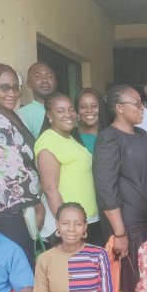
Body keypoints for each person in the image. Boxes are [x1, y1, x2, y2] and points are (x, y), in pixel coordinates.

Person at [92, 84, 147, 292]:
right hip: (128, 224)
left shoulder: (142, 134)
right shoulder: (109, 138)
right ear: (119, 107)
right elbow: (106, 188)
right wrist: (119, 232)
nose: (141, 107)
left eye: (141, 103)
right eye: (136, 103)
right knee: (132, 278)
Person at [0, 62, 44, 269]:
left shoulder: (1, 113)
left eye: (15, 88)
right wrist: (37, 205)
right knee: (20, 267)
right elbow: (11, 171)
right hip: (11, 209)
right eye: (4, 87)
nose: (12, 93)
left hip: (12, 206)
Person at [35, 93, 101, 245]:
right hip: (69, 226)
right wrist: (65, 226)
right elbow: (50, 189)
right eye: (60, 111)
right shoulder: (48, 141)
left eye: (71, 109)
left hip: (84, 220)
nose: (68, 114)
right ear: (49, 115)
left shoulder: (70, 138)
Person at [17, 62, 57, 139]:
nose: (45, 80)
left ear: (56, 83)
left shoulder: (67, 111)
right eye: (38, 76)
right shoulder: (21, 115)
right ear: (28, 83)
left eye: (49, 76)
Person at [73, 88, 107, 154]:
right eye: (83, 107)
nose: (89, 110)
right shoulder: (70, 136)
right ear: (77, 110)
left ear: (101, 108)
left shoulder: (110, 134)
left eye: (94, 106)